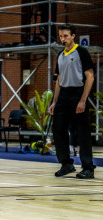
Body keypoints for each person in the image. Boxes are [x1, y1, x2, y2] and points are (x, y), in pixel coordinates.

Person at [49, 24, 95, 179]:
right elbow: (59, 80)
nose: (63, 39)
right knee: (58, 129)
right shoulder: (60, 55)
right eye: (61, 36)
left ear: (73, 36)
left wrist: (83, 100)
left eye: (66, 36)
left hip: (78, 93)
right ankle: (66, 164)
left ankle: (88, 167)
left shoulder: (81, 52)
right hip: (64, 95)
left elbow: (90, 77)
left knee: (83, 132)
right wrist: (54, 102)